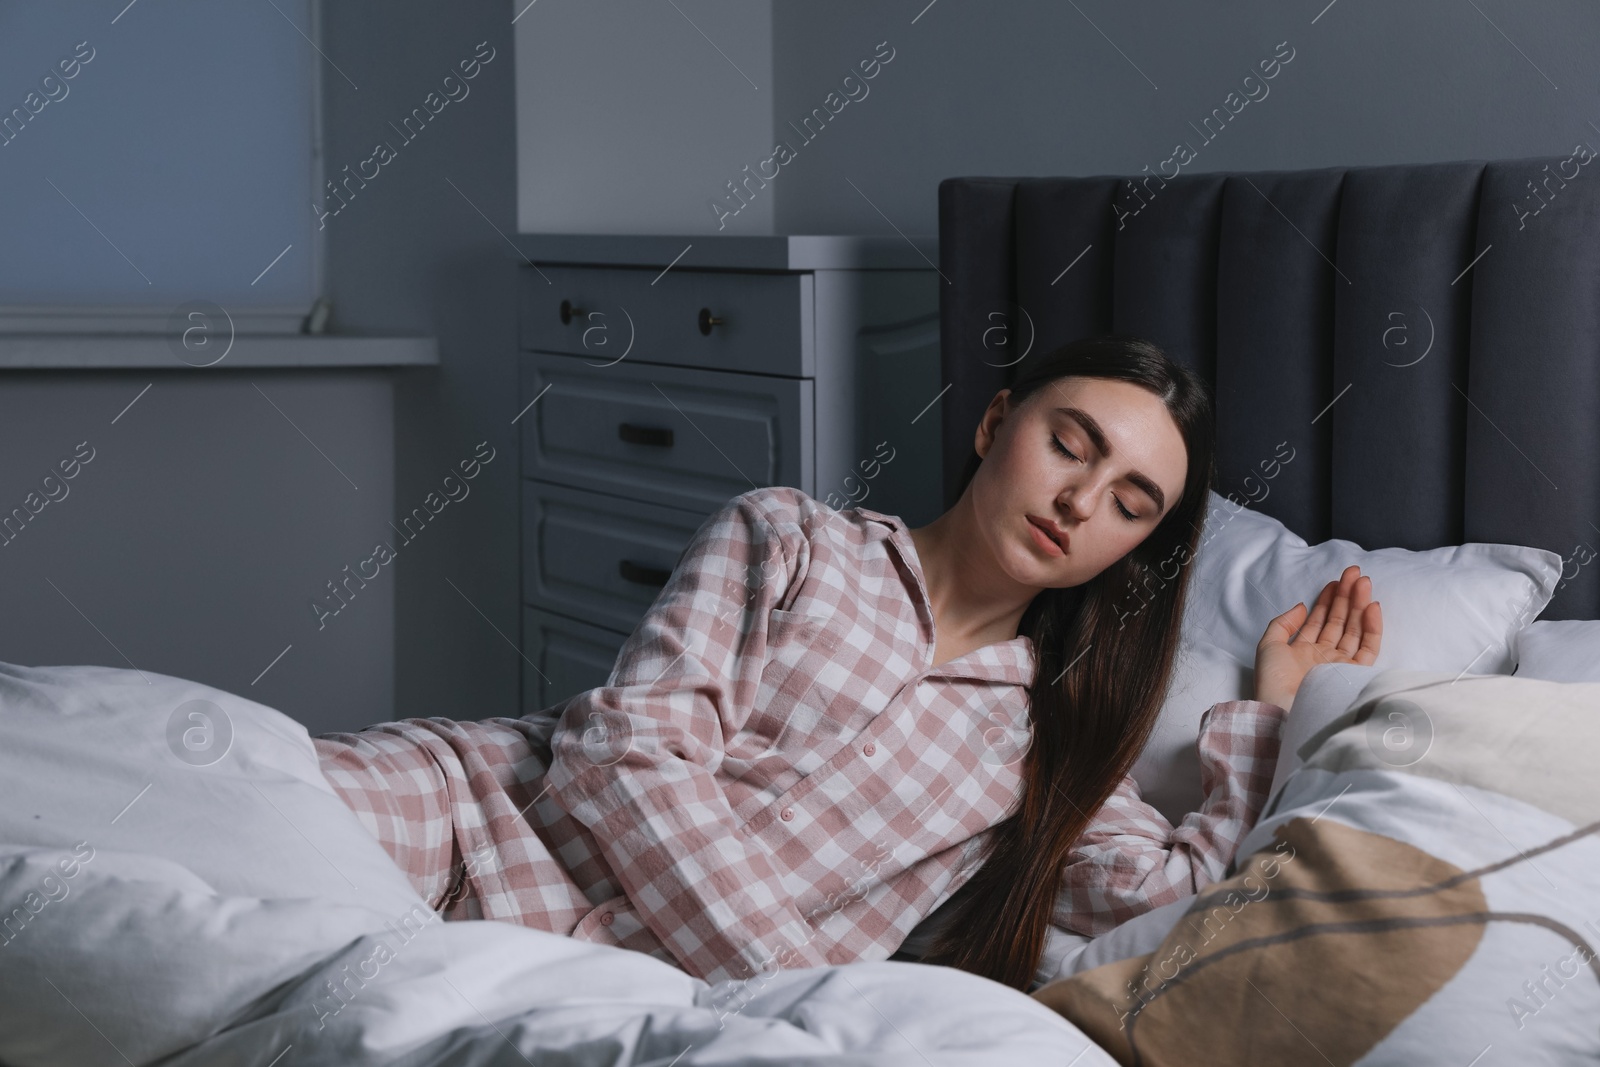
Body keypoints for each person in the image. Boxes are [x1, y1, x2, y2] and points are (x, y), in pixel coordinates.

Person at [313, 334, 1382, 993]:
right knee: (177, 807)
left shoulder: (1048, 746)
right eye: (1070, 443)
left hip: (611, 986)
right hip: (460, 821)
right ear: (995, 422)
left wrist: (1271, 708)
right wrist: (800, 992)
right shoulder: (789, 539)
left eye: (1129, 503)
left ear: (1133, 548)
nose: (1078, 501)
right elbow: (620, 750)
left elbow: (1173, 897)